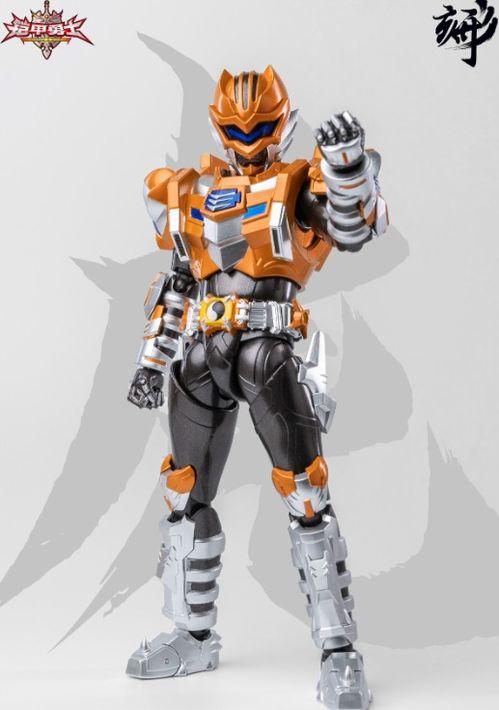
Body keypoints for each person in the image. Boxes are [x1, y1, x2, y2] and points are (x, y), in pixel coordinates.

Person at [125, 66, 388, 710]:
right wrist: (152, 362)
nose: (249, 140)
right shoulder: (193, 189)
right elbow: (178, 282)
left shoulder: (296, 184)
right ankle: (191, 635)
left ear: (282, 123)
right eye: (238, 129)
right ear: (219, 126)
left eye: (262, 127)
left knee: (305, 493)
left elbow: (354, 228)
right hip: (200, 356)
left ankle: (338, 652)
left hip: (267, 352)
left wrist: (347, 166)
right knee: (183, 492)